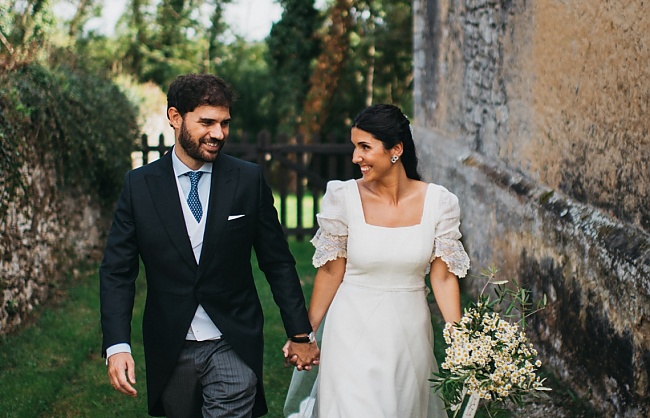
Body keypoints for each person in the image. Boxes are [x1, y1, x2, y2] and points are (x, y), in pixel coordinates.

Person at [100, 73, 319, 418]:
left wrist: (299, 332)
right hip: (172, 344)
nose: (218, 133)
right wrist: (117, 344)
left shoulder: (247, 180)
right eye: (207, 122)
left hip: (233, 340)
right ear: (175, 117)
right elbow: (117, 272)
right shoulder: (139, 186)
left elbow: (276, 261)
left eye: (224, 123)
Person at [283, 104, 470, 417]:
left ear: (396, 149)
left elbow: (443, 276)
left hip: (408, 335)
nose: (356, 157)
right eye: (355, 147)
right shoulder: (343, 197)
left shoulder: (440, 203)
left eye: (365, 147)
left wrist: (461, 342)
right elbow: (331, 271)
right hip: (351, 329)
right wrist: (305, 335)